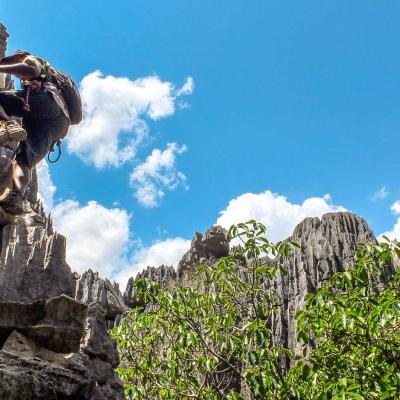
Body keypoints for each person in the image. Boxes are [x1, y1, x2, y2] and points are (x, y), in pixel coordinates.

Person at [0, 51, 71, 214]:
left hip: (49, 103)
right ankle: (18, 197)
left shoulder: (32, 60)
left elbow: (31, 70)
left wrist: (2, 66)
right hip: (59, 124)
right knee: (23, 160)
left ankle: (9, 125)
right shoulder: (52, 80)